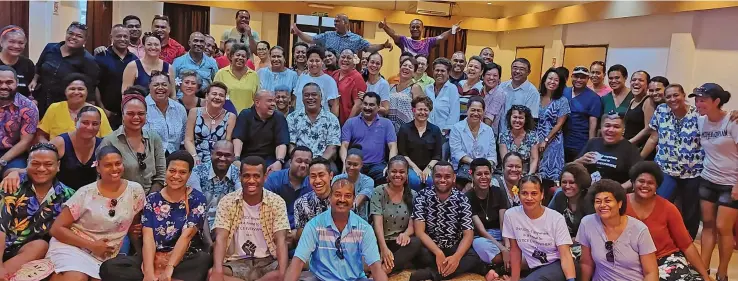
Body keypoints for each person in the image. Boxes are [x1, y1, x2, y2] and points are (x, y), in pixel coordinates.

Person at [99, 151, 210, 281]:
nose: (176, 176)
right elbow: (148, 238)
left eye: (182, 172)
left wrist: (169, 268)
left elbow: (187, 236)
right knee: (109, 267)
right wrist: (148, 273)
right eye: (172, 171)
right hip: (153, 257)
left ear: (189, 174)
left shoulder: (197, 199)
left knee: (203, 259)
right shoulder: (152, 199)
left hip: (183, 259)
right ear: (166, 171)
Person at [46, 145, 146, 280]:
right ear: (98, 167)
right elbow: (56, 229)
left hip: (105, 255)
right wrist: (91, 245)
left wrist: (142, 256)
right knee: (76, 278)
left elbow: (133, 227)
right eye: (108, 165)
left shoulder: (136, 191)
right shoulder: (86, 192)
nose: (114, 169)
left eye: (118, 163)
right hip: (73, 246)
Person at [283, 178, 388, 281]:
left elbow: (376, 267)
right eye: (337, 195)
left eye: (347, 196)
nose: (342, 199)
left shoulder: (364, 229)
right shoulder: (314, 226)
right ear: (330, 197)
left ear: (353, 199)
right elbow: (297, 262)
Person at [625, 161, 712, 281]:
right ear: (633, 182)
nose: (645, 185)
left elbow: (686, 245)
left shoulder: (668, 208)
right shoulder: (620, 204)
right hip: (631, 261)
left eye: (650, 183)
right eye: (641, 181)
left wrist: (705, 276)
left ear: (657, 186)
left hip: (665, 258)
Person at [208, 156, 289, 281]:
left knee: (289, 271)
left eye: (256, 176)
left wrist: (283, 274)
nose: (251, 180)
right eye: (246, 176)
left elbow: (281, 239)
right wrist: (217, 271)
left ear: (265, 176)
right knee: (212, 275)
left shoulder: (276, 202)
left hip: (268, 261)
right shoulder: (227, 201)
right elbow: (221, 238)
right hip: (236, 262)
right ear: (240, 176)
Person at [0, 143, 75, 279]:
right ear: (27, 164)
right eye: (35, 163)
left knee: (40, 245)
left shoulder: (68, 195)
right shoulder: (12, 185)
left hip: (23, 252)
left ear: (58, 166)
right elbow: (1, 227)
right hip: (3, 242)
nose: (41, 169)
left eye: (48, 164)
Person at [640, 84, 703, 238]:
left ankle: (687, 245)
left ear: (684, 95)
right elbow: (654, 137)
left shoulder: (698, 115)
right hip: (666, 169)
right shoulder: (661, 111)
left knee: (690, 212)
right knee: (658, 206)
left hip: (693, 172)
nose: (672, 99)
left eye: (676, 95)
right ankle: (657, 241)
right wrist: (639, 159)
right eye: (668, 96)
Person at [693, 83, 738, 281]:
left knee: (723, 227)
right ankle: (703, 270)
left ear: (716, 101)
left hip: (731, 183)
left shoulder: (732, 121)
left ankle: (722, 271)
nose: (698, 103)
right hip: (708, 179)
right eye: (697, 99)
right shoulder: (700, 120)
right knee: (708, 225)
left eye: (703, 99)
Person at [411, 161, 483, 281]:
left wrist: (456, 257)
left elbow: (468, 234)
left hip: (452, 246)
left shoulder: (462, 199)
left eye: (447, 176)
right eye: (438, 176)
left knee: (473, 256)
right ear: (432, 177)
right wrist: (438, 252)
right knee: (420, 253)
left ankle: (432, 274)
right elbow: (419, 232)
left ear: (454, 178)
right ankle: (445, 270)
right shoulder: (422, 196)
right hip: (430, 249)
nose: (442, 180)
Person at [577, 179, 659, 281]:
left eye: (608, 201)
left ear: (620, 204)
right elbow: (586, 263)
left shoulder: (639, 229)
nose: (602, 205)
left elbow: (651, 272)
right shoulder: (587, 223)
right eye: (598, 201)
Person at [4, 106, 103, 191]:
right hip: (59, 198)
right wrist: (14, 173)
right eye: (85, 123)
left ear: (100, 125)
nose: (90, 127)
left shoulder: (103, 145)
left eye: (95, 124)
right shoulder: (59, 143)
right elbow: (34, 168)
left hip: (90, 199)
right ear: (76, 121)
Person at [502, 175, 577, 281]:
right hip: (535, 266)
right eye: (524, 193)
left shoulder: (556, 218)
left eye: (534, 193)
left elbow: (565, 254)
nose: (529, 198)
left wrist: (571, 280)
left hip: (559, 264)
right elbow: (515, 251)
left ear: (542, 195)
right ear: (518, 195)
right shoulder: (511, 215)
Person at [101, 88, 166, 193]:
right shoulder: (109, 141)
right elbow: (105, 177)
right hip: (119, 197)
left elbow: (160, 175)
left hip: (152, 198)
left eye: (141, 113)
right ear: (122, 115)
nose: (136, 117)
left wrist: (149, 201)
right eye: (130, 113)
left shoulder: (154, 139)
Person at [32, 22, 98, 117]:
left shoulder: (88, 60)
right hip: (40, 101)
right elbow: (38, 67)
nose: (73, 37)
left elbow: (90, 90)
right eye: (71, 33)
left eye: (79, 36)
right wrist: (34, 80)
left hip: (66, 107)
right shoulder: (50, 48)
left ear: (85, 40)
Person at [370, 156, 421, 275]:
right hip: (379, 241)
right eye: (394, 171)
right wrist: (383, 248)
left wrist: (406, 234)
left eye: (402, 172)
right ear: (387, 172)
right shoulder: (378, 191)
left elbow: (413, 223)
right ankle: (395, 264)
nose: (398, 175)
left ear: (407, 174)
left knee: (417, 243)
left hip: (399, 243)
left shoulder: (413, 195)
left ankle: (383, 270)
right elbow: (377, 223)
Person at [340, 92, 397, 184]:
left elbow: (393, 146)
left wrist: (390, 165)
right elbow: (344, 145)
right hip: (356, 165)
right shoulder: (350, 123)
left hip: (378, 165)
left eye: (371, 105)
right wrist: (344, 163)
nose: (367, 107)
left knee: (386, 179)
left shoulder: (386, 123)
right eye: (365, 104)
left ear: (378, 107)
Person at [36, 74, 112, 142]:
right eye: (72, 89)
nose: (76, 92)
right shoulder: (54, 108)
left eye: (80, 89)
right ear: (65, 91)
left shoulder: (98, 111)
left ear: (87, 92)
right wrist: (49, 149)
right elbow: (41, 135)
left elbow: (107, 139)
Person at [576, 111, 642, 189]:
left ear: (623, 130)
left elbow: (639, 176)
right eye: (607, 126)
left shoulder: (630, 149)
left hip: (615, 195)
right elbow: (572, 168)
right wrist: (580, 161)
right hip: (589, 192)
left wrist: (620, 188)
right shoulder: (593, 143)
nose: (611, 130)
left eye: (616, 127)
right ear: (601, 128)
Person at [187, 140, 241, 235]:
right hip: (199, 223)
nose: (222, 158)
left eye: (227, 155)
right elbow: (198, 208)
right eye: (219, 154)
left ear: (233, 157)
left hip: (227, 226)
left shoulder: (238, 174)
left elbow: (241, 201)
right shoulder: (197, 172)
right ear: (212, 154)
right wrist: (208, 242)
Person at [467, 158, 511, 272]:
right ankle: (510, 264)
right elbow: (481, 230)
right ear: (472, 176)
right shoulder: (468, 197)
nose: (483, 177)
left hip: (501, 233)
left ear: (491, 174)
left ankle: (497, 266)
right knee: (479, 245)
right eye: (479, 174)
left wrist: (506, 245)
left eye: (486, 173)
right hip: (483, 237)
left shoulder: (498, 192)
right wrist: (502, 249)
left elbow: (503, 223)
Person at [233, 89, 289, 173]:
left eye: (274, 101)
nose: (273, 104)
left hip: (270, 159)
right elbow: (238, 138)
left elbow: (281, 143)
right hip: (247, 157)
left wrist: (279, 161)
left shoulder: (279, 117)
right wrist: (236, 159)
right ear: (257, 102)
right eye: (269, 101)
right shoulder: (245, 114)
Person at [548, 163, 594, 259]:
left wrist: (567, 242)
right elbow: (548, 220)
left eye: (572, 182)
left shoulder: (589, 200)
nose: (567, 186)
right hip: (560, 242)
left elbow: (591, 232)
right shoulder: (559, 196)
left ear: (581, 184)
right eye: (564, 182)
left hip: (585, 245)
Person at [450, 96, 497, 190]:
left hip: (484, 169)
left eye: (479, 110)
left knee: (494, 185)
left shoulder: (488, 130)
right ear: (467, 110)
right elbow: (457, 153)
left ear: (483, 112)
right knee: (470, 186)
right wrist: (476, 164)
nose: (476, 113)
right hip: (463, 169)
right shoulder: (457, 128)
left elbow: (492, 156)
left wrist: (486, 166)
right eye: (473, 110)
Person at [96, 24, 138, 129]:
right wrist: (102, 109)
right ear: (111, 38)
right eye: (119, 36)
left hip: (129, 113)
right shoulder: (101, 57)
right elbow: (94, 85)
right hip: (107, 113)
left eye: (125, 36)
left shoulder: (135, 59)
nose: (122, 39)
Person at [184, 82, 236, 164]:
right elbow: (188, 139)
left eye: (221, 95)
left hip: (219, 160)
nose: (217, 97)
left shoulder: (231, 117)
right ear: (206, 96)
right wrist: (194, 157)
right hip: (195, 157)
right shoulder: (194, 112)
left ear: (225, 99)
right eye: (214, 94)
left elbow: (227, 143)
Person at [287, 83, 341, 161]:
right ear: (302, 98)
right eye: (306, 95)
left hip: (324, 161)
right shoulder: (292, 118)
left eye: (314, 94)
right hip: (299, 160)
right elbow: (291, 145)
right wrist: (301, 161)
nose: (310, 98)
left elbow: (332, 147)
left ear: (321, 97)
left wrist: (318, 163)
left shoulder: (332, 119)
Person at [536, 68, 570, 193]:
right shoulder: (537, 97)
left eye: (556, 80)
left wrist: (546, 140)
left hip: (552, 141)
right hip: (535, 139)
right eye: (550, 78)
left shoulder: (562, 100)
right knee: (534, 172)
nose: (552, 82)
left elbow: (559, 124)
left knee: (548, 178)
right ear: (544, 80)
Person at [398, 96, 442, 191]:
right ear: (413, 110)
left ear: (430, 111)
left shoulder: (435, 130)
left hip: (430, 167)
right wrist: (415, 168)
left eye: (425, 110)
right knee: (414, 180)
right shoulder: (404, 129)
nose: (422, 112)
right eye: (419, 109)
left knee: (430, 180)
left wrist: (428, 168)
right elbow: (402, 153)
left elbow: (437, 155)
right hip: (410, 167)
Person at [0, 66, 38, 175]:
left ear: (16, 83)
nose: (3, 86)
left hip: (14, 153)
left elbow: (25, 142)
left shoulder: (28, 107)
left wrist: (2, 161)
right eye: (0, 82)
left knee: (18, 175)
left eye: (9, 82)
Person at [291, 13, 392, 54]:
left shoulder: (356, 39)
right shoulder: (328, 35)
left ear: (346, 23)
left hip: (347, 76)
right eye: (334, 21)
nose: (335, 23)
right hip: (329, 72)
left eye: (338, 21)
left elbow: (369, 48)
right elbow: (311, 39)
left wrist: (383, 45)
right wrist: (299, 32)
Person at [264, 147, 312, 230]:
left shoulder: (313, 183)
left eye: (307, 162)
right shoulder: (274, 179)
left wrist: (297, 233)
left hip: (302, 232)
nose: (303, 165)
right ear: (290, 162)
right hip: (275, 229)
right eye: (299, 161)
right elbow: (265, 210)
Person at [563, 66, 601, 162]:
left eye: (583, 77)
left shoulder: (594, 98)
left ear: (588, 79)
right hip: (560, 142)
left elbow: (593, 125)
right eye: (576, 76)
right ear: (571, 77)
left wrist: (590, 147)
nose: (579, 80)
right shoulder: (564, 92)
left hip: (579, 143)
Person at [144, 71, 187, 155]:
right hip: (149, 157)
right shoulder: (141, 107)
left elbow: (184, 138)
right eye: (156, 85)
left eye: (164, 84)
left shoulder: (179, 109)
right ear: (149, 86)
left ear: (170, 87)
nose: (160, 88)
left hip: (174, 157)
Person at [293, 157, 333, 240]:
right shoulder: (300, 203)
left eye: (321, 175)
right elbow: (302, 239)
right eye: (313, 176)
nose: (317, 180)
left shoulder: (344, 200)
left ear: (331, 176)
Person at [293, 46, 339, 116]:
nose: (314, 64)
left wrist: (331, 124)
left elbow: (335, 106)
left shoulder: (329, 81)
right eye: (311, 61)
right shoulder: (302, 77)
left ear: (322, 62)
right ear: (307, 61)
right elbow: (296, 100)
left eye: (317, 61)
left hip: (321, 123)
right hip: (300, 122)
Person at [214, 43, 260, 113]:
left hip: (248, 117)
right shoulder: (221, 73)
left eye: (243, 56)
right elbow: (214, 96)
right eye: (238, 55)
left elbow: (257, 98)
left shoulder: (254, 75)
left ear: (247, 59)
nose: (240, 58)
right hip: (225, 116)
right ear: (231, 56)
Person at [379, 18, 459, 56]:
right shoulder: (404, 40)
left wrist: (452, 30)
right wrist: (384, 27)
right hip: (405, 75)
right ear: (409, 28)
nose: (415, 29)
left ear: (422, 28)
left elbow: (441, 37)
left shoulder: (428, 41)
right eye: (413, 27)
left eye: (418, 27)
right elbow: (394, 34)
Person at [333, 148, 375, 221]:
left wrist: (352, 206)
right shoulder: (337, 179)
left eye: (355, 165)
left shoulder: (368, 181)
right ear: (345, 162)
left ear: (361, 165)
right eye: (349, 163)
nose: (351, 167)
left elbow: (360, 199)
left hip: (360, 221)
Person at [173, 31, 218, 96]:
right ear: (189, 43)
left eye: (201, 41)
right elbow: (172, 85)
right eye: (195, 41)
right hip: (182, 101)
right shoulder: (178, 62)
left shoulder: (212, 63)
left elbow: (216, 84)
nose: (199, 44)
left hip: (205, 101)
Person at [500, 58, 541, 129]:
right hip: (500, 134)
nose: (517, 71)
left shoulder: (532, 92)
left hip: (518, 136)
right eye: (515, 68)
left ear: (528, 72)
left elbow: (531, 119)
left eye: (522, 69)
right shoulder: (502, 87)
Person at [426, 57, 461, 137]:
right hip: (427, 133)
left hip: (444, 135)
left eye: (443, 71)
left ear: (448, 73)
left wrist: (444, 132)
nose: (439, 73)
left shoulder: (452, 89)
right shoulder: (427, 89)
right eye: (437, 70)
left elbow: (454, 113)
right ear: (433, 71)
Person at [498, 105, 539, 174]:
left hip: (527, 174)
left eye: (521, 118)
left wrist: (529, 176)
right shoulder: (503, 136)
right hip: (509, 173)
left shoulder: (532, 136)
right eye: (515, 117)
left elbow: (534, 159)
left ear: (526, 120)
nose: (517, 120)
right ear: (510, 118)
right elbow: (505, 160)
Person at [389, 57, 424, 132]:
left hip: (408, 130)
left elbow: (420, 110)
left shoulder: (415, 88)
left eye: (410, 67)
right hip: (390, 129)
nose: (406, 68)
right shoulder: (391, 87)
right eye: (404, 65)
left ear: (414, 73)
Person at [332, 48, 367, 125]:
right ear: (338, 58)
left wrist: (348, 125)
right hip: (332, 121)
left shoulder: (357, 78)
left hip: (347, 122)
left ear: (354, 61)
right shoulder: (334, 74)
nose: (345, 60)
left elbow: (358, 105)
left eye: (349, 58)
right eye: (343, 57)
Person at [0, 26, 35, 99]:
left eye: (21, 43)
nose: (16, 46)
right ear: (1, 42)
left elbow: (32, 91)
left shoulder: (28, 64)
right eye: (11, 42)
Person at [624, 70, 656, 148]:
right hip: (627, 144)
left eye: (641, 80)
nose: (636, 82)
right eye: (634, 80)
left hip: (638, 147)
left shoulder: (648, 101)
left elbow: (648, 129)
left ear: (647, 85)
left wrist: (629, 143)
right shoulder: (632, 101)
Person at [458, 56, 485, 120]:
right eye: (470, 66)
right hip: (455, 121)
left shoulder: (482, 87)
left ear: (481, 72)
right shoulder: (460, 83)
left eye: (476, 67)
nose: (472, 68)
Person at [482, 62, 506, 134]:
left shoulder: (499, 93)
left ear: (499, 79)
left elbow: (489, 118)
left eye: (495, 75)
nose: (491, 78)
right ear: (483, 76)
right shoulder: (479, 89)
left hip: (488, 133)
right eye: (488, 74)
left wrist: (482, 135)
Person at [364, 52, 391, 116]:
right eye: (372, 62)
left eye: (377, 63)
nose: (374, 65)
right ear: (367, 63)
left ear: (381, 66)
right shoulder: (362, 80)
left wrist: (370, 105)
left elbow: (386, 110)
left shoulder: (383, 84)